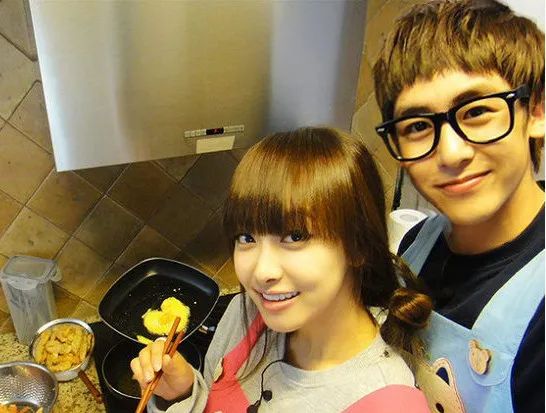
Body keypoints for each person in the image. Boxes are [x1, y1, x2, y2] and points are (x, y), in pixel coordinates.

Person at [130, 127, 433, 412]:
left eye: (295, 236)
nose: (261, 272)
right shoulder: (246, 314)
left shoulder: (389, 404)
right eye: (246, 237)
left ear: (358, 246)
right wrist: (183, 395)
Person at [372, 1, 544, 412]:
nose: (451, 153)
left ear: (536, 111)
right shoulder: (418, 243)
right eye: (417, 126)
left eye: (477, 111)